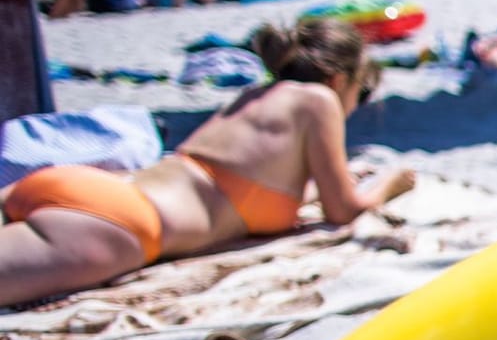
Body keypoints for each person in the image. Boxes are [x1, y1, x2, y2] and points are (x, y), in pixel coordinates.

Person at [0, 18, 415, 308]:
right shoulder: (319, 99)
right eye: (360, 94)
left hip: (90, 189)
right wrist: (391, 184)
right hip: (121, 222)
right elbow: (342, 211)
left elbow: (239, 186)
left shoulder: (254, 96)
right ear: (339, 79)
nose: (353, 106)